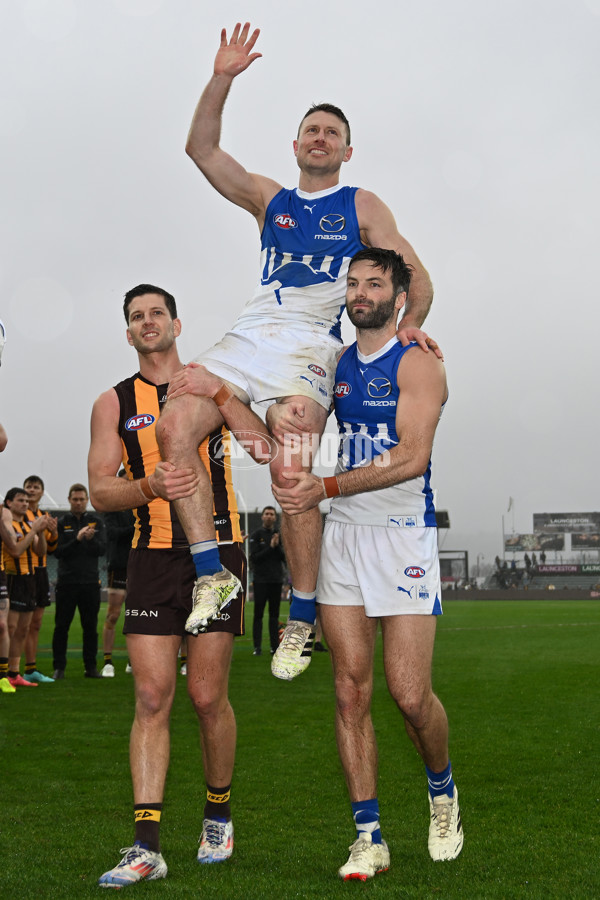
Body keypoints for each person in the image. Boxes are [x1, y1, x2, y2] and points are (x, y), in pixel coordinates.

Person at [156, 22, 439, 683]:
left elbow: (415, 275)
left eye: (331, 133)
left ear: (345, 150)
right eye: (311, 129)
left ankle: (302, 612)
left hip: (312, 341)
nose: (319, 138)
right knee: (175, 425)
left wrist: (411, 325)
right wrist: (222, 76)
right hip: (252, 334)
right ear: (295, 144)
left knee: (291, 462)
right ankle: (212, 576)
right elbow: (200, 148)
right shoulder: (269, 199)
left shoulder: (360, 203)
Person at [274, 249, 463, 879]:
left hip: (404, 535)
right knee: (350, 691)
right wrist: (241, 403)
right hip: (344, 540)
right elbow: (293, 428)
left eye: (374, 283)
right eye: (352, 283)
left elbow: (411, 456)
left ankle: (442, 792)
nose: (360, 292)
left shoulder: (420, 364)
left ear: (399, 294)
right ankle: (368, 836)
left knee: (409, 695)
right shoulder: (334, 363)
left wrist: (323, 489)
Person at [88, 284, 249, 887]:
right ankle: (146, 846)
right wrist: (150, 487)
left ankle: (217, 814)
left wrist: (225, 394)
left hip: (219, 550)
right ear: (128, 334)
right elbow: (102, 490)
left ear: (177, 324)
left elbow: (260, 440)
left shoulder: (208, 379)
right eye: (136, 317)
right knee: (153, 698)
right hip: (151, 557)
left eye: (157, 313)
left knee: (207, 698)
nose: (147, 322)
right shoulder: (113, 402)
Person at [52, 484, 106, 679]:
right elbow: (57, 552)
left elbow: (102, 550)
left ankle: (90, 667)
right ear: (69, 500)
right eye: (75, 499)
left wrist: (90, 540)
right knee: (61, 627)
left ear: (87, 500)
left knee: (90, 628)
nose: (78, 502)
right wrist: (76, 539)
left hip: (90, 582)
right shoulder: (61, 522)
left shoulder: (96, 522)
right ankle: (59, 668)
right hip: (66, 582)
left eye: (82, 499)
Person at [0, 488, 49, 687]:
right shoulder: (8, 524)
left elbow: (40, 550)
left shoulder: (26, 525)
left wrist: (42, 532)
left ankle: (14, 672)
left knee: (23, 629)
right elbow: (17, 552)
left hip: (31, 578)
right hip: (14, 578)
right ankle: (5, 671)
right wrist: (34, 531)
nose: (25, 504)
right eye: (20, 500)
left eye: (27, 501)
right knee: (9, 628)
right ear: (9, 503)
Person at [22, 475, 58, 683]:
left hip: (41, 571)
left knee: (35, 623)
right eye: (29, 486)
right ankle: (8, 669)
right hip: (22, 571)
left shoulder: (45, 515)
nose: (32, 490)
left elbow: (52, 549)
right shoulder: (17, 512)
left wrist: (53, 533)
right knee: (17, 624)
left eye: (36, 487)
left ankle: (31, 668)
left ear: (42, 492)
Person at [100, 470, 135, 677]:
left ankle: (133, 660)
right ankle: (107, 661)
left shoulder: (142, 507)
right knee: (113, 614)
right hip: (118, 565)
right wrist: (136, 527)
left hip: (139, 566)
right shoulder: (111, 508)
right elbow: (112, 533)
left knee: (137, 615)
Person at [249, 506, 286, 656]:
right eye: (267, 514)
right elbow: (255, 558)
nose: (269, 516)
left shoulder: (280, 536)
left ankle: (274, 647)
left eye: (272, 514)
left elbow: (284, 558)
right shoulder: (257, 535)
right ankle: (257, 647)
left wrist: (276, 547)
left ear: (275, 518)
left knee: (274, 615)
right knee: (258, 614)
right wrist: (271, 547)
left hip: (276, 580)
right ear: (262, 516)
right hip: (260, 580)